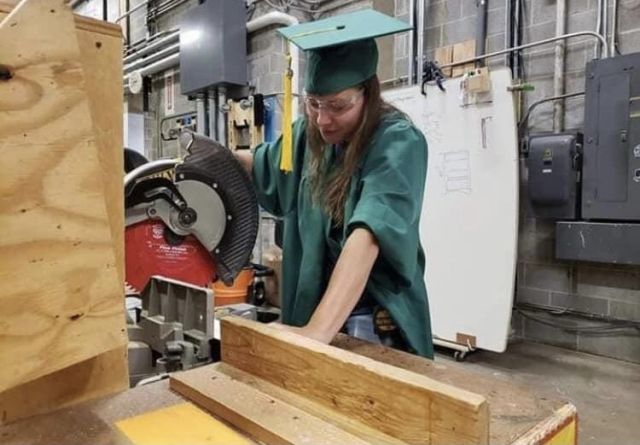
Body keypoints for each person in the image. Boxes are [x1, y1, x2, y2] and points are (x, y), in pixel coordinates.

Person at [236, 9, 433, 358]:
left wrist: (316, 333)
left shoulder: (398, 143)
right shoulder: (306, 136)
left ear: (368, 95)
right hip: (313, 304)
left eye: (338, 106)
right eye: (313, 104)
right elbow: (262, 164)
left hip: (371, 318)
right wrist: (212, 160)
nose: (323, 120)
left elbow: (370, 232)